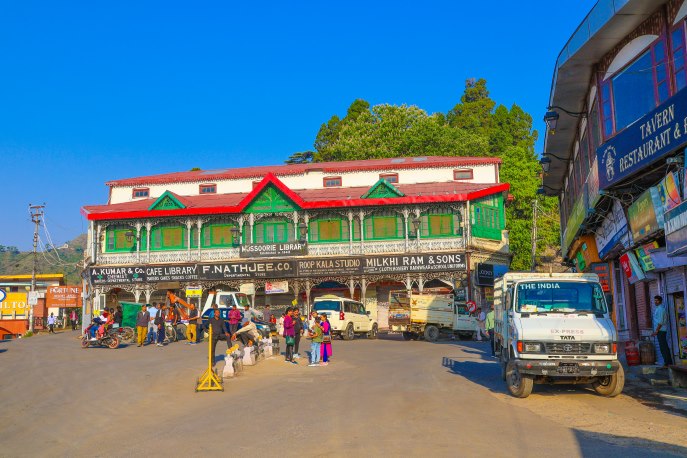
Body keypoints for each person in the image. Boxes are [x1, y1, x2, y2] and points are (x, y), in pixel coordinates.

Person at [652, 296, 674, 367]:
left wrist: (656, 331)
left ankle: (668, 363)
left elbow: (660, 322)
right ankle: (667, 362)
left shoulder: (661, 309)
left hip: (661, 331)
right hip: (659, 331)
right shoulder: (658, 309)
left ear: (660, 301)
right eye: (655, 300)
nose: (655, 302)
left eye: (657, 300)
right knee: (663, 347)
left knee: (663, 347)